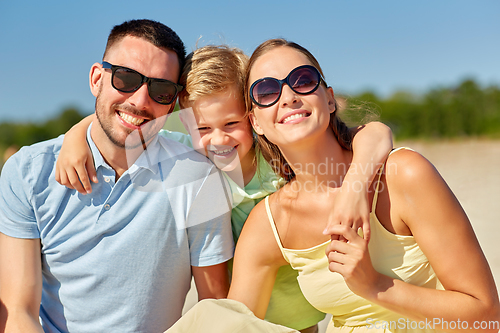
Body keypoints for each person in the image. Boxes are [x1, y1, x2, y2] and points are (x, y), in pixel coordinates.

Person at [55, 44, 394, 332]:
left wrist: (353, 188)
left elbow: (374, 132)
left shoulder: (279, 157)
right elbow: (126, 125)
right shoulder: (189, 154)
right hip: (244, 313)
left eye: (231, 124)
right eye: (203, 127)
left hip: (303, 314)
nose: (217, 139)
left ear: (253, 117)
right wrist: (76, 134)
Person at [223, 38, 500, 332]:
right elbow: (236, 324)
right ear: (256, 123)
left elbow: (487, 317)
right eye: (266, 91)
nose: (289, 96)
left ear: (329, 99)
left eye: (303, 80)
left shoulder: (403, 175)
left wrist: (376, 286)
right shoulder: (270, 223)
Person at [0, 19, 234, 333]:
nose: (139, 101)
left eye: (161, 89)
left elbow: (213, 306)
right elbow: (18, 312)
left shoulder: (199, 178)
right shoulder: (28, 172)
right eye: (126, 78)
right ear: (97, 78)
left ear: (174, 102)